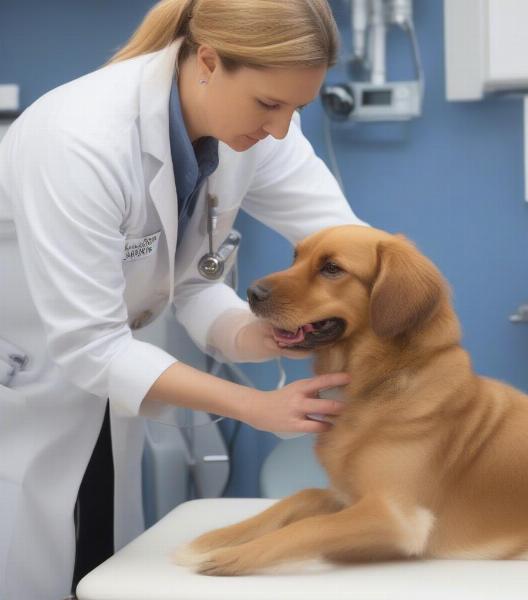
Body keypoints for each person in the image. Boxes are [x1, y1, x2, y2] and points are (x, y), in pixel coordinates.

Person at [0, 0, 365, 598]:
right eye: (269, 105)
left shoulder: (256, 124)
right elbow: (91, 345)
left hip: (108, 378)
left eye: (296, 109)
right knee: (30, 560)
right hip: (29, 379)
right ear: (208, 61)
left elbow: (203, 278)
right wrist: (256, 407)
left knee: (96, 560)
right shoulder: (79, 137)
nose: (278, 130)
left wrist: (256, 333)